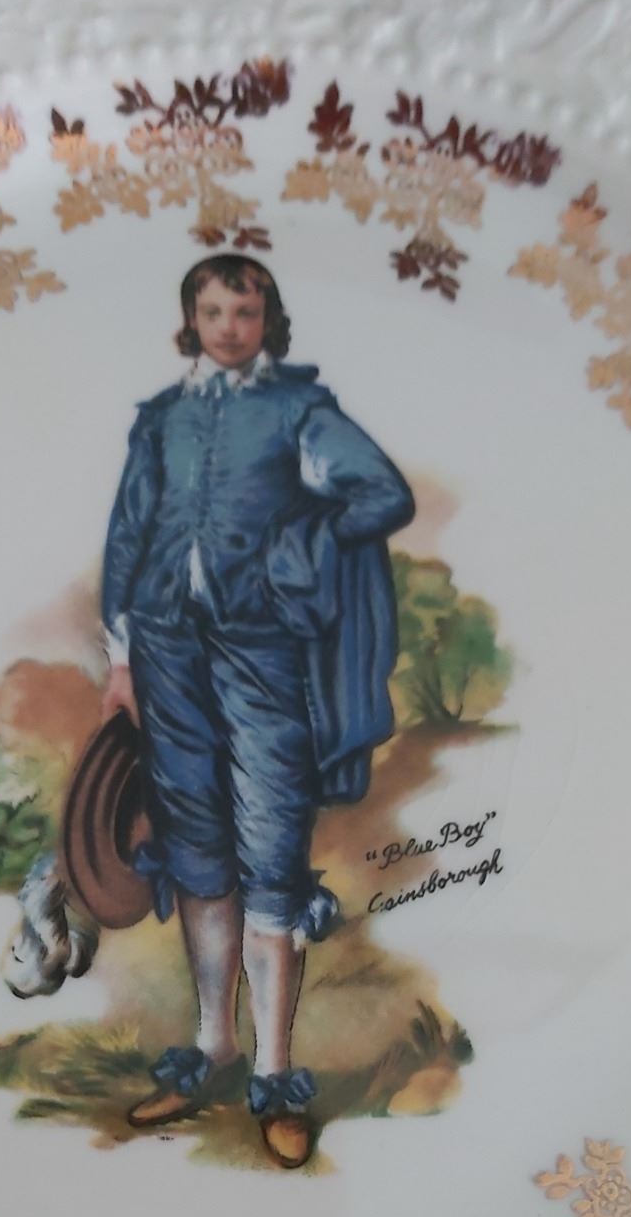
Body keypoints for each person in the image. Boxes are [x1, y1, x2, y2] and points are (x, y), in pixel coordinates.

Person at [99, 255, 415, 1167]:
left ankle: (274, 1076)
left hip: (262, 651)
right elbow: (128, 534)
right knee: (197, 852)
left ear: (266, 319)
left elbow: (382, 494)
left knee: (271, 850)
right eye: (213, 311)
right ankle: (213, 1050)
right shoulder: (162, 419)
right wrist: (119, 658)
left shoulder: (296, 410)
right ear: (191, 319)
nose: (229, 327)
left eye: (244, 311)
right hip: (166, 652)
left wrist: (302, 546)